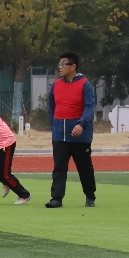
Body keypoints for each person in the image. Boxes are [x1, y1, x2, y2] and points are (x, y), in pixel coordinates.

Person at [46, 52, 97, 208]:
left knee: (84, 167)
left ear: (73, 66)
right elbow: (51, 107)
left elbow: (89, 107)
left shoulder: (85, 85)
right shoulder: (56, 85)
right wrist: (54, 125)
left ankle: (90, 195)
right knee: (59, 167)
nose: (60, 67)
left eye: (64, 64)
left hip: (80, 135)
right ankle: (56, 198)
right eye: (59, 64)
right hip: (59, 135)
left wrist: (81, 124)